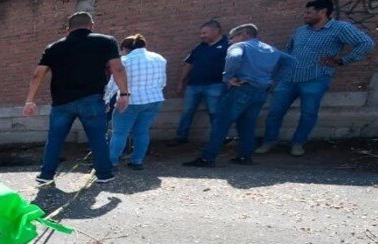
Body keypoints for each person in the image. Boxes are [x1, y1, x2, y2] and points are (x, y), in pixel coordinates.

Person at [23, 12, 128, 184]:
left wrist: (29, 101)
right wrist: (124, 94)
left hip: (61, 102)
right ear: (91, 25)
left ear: (68, 29)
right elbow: (117, 68)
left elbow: (37, 75)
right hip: (92, 100)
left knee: (55, 140)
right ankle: (104, 174)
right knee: (98, 139)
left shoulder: (53, 47)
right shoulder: (106, 41)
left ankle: (46, 175)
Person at [259, 0, 374, 156]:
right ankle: (269, 142)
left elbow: (365, 43)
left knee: (308, 114)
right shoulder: (300, 30)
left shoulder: (340, 28)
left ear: (322, 12)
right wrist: (279, 73)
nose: (305, 15)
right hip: (289, 79)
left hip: (315, 78)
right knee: (275, 113)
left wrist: (341, 60)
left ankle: (298, 143)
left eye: (309, 12)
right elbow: (289, 51)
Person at [183, 24, 295, 167]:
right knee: (247, 124)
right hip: (261, 91)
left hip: (241, 89)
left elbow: (234, 57)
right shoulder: (269, 48)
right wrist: (273, 80)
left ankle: (207, 158)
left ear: (243, 35)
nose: (229, 41)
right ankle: (245, 156)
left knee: (221, 123)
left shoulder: (240, 46)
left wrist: (228, 77)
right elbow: (291, 61)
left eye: (232, 37)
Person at [106, 34, 167, 170]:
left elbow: (114, 83)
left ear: (124, 49)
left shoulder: (124, 60)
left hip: (130, 101)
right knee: (142, 132)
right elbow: (162, 82)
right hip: (154, 99)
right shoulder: (159, 59)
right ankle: (137, 161)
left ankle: (111, 162)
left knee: (119, 133)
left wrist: (105, 101)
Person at [171, 20, 229, 147]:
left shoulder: (228, 45)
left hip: (216, 85)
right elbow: (188, 64)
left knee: (215, 113)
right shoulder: (199, 47)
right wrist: (181, 82)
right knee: (187, 112)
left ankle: (218, 139)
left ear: (216, 31)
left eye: (204, 33)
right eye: (201, 33)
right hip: (193, 85)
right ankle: (181, 137)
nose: (201, 36)